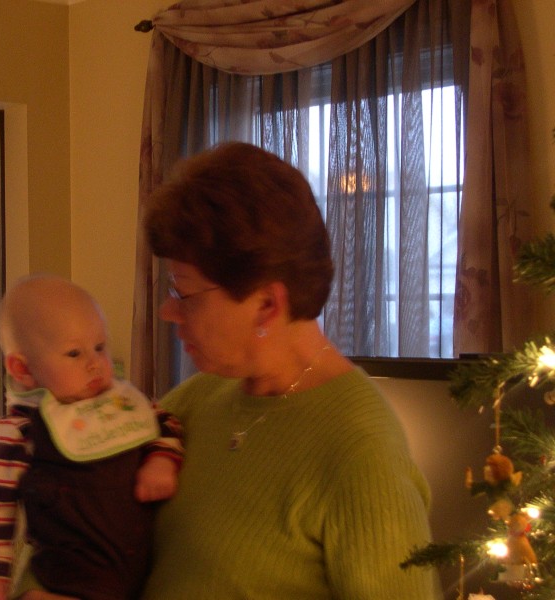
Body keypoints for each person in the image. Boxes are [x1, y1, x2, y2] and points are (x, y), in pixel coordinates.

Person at [140, 142, 443, 599]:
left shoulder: (361, 454)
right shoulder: (192, 404)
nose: (167, 311)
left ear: (265, 304)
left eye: (183, 292)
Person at [0, 275, 183, 600]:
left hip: (138, 579)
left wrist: (161, 460)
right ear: (22, 369)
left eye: (100, 347)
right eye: (74, 353)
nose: (95, 363)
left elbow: (165, 423)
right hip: (65, 587)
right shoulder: (18, 431)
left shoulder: (121, 405)